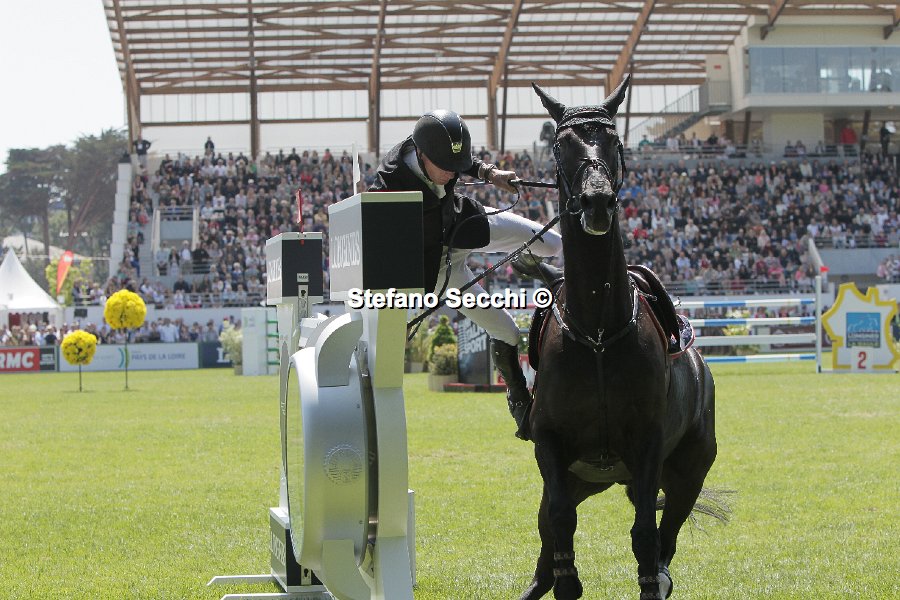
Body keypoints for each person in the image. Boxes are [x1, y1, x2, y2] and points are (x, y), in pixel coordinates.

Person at [369, 109, 562, 440]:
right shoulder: (387, 189)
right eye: (446, 167)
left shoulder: (435, 150)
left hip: (463, 223)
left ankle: (533, 268)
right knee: (507, 331)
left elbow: (458, 159)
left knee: (552, 243)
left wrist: (489, 172)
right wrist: (397, 317)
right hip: (438, 270)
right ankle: (519, 398)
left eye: (455, 166)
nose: (452, 173)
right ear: (422, 155)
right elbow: (385, 263)